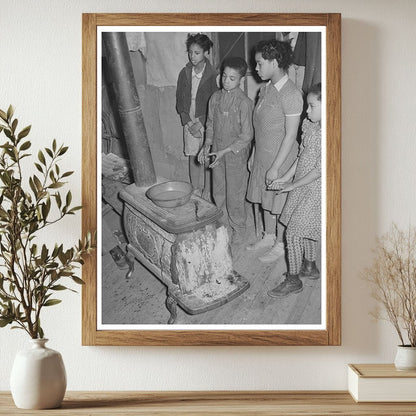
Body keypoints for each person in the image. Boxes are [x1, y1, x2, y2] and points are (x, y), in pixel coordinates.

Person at [246, 39, 303, 262]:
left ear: (275, 62)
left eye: (260, 63)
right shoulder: (265, 89)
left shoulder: (291, 94)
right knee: (264, 199)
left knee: (278, 205)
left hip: (281, 159)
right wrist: (253, 154)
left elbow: (290, 136)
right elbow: (258, 126)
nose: (256, 68)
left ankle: (280, 243)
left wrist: (276, 167)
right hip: (262, 156)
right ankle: (269, 236)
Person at [267, 83, 322, 298]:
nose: (307, 112)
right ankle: (309, 266)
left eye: (312, 106)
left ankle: (293, 280)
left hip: (315, 190)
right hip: (301, 183)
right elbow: (301, 158)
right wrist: (284, 178)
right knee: (304, 227)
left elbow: (319, 170)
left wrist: (293, 185)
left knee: (294, 232)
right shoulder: (309, 126)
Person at [197, 57, 253, 247]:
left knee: (234, 195)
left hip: (235, 155)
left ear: (241, 80)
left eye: (232, 78)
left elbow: (247, 136)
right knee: (218, 190)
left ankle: (239, 228)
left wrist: (226, 151)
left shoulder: (244, 103)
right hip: (216, 154)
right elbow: (210, 125)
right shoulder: (215, 98)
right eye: (224, 76)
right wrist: (206, 147)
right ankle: (222, 224)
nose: (226, 81)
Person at [176, 33, 218, 196]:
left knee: (206, 154)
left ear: (206, 53)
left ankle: (207, 191)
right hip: (189, 118)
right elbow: (179, 99)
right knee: (193, 154)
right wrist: (188, 122)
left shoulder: (213, 75)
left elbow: (214, 103)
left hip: (206, 119)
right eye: (190, 52)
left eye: (197, 53)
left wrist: (200, 123)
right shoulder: (184, 73)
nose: (192, 56)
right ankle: (194, 188)